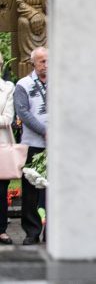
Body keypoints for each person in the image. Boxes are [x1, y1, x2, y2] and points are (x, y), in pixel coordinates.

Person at [13, 47, 47, 244]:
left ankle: (52, 232)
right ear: (33, 63)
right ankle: (32, 232)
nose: (46, 66)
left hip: (56, 145)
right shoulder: (23, 85)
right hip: (33, 144)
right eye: (42, 62)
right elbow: (23, 113)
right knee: (31, 190)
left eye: (49, 61)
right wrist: (45, 131)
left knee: (54, 189)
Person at [0, 70, 14, 244]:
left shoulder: (8, 88)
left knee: (1, 191)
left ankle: (1, 230)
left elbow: (8, 118)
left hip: (1, 146)